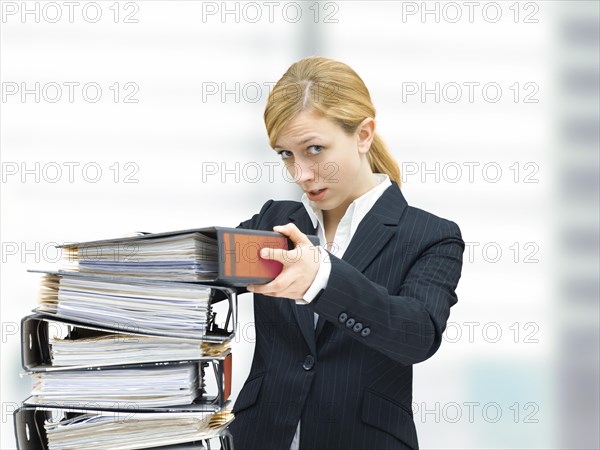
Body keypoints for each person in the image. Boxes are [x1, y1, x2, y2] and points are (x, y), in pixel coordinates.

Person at [228, 56, 465, 450]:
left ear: (363, 134)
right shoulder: (273, 220)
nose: (301, 173)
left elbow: (416, 335)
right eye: (286, 154)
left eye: (315, 149)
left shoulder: (429, 235)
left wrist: (322, 279)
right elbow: (203, 272)